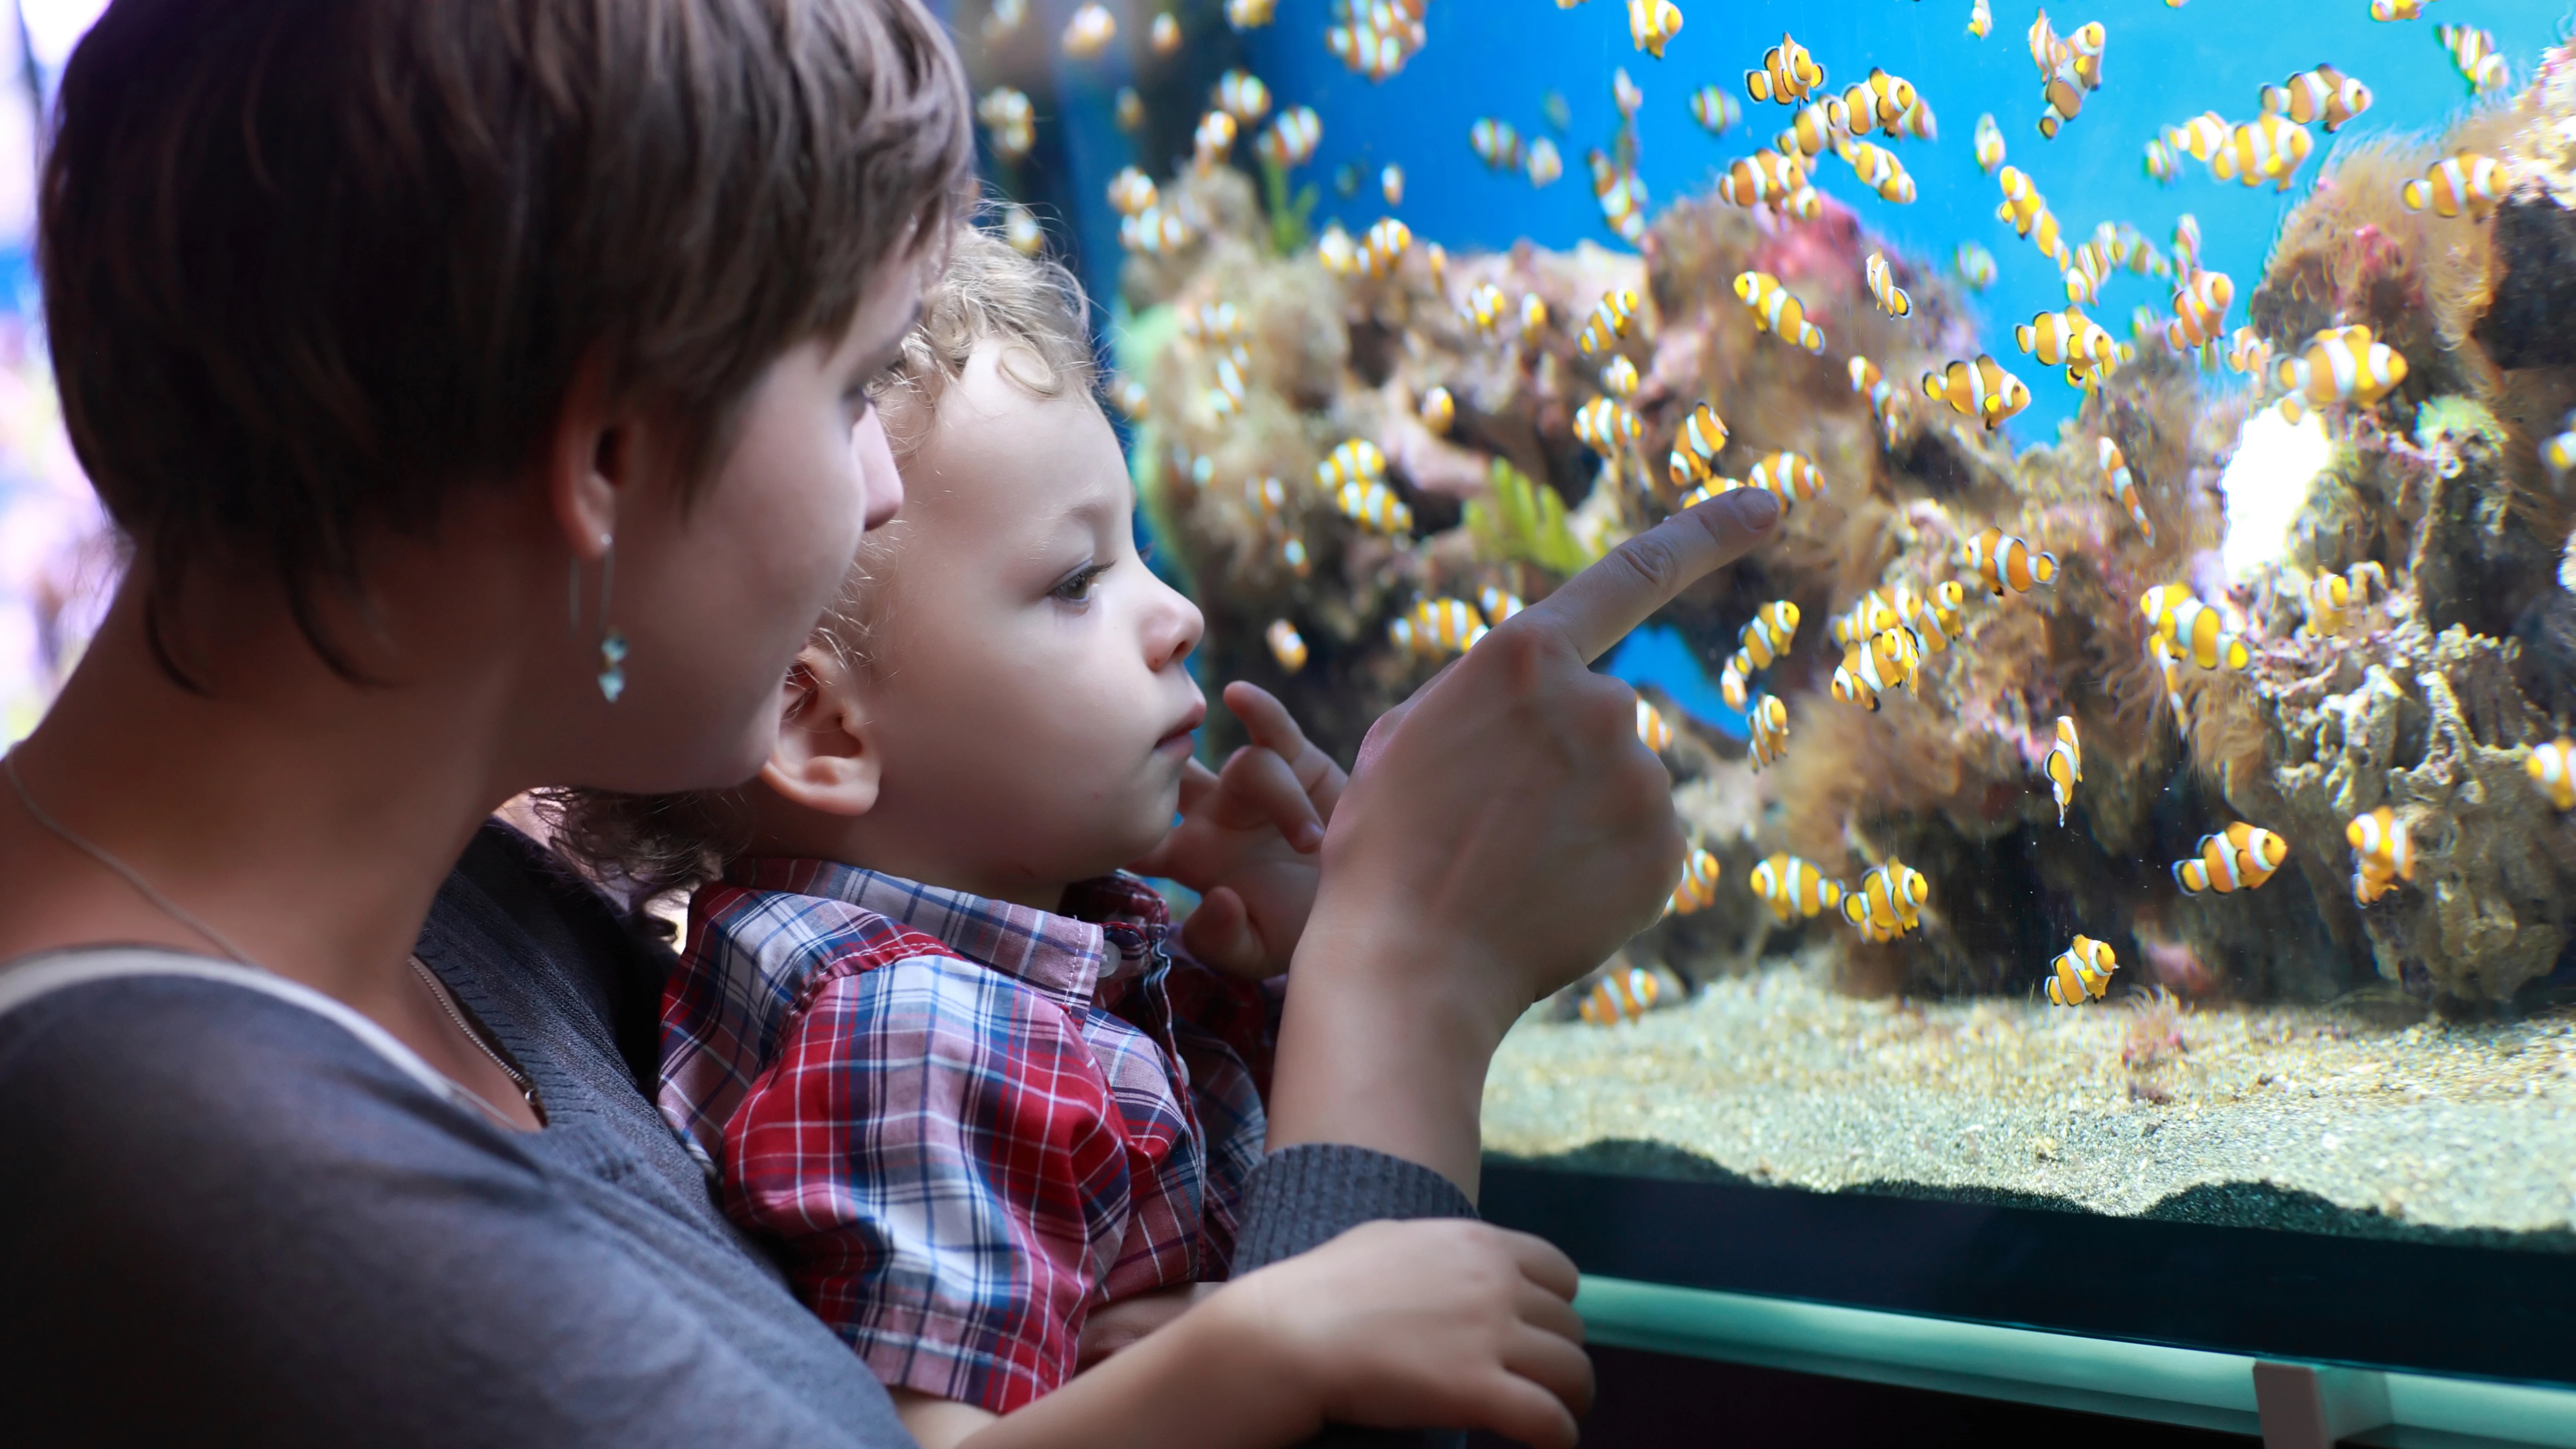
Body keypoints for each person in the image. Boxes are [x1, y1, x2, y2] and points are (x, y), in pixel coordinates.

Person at [0, 1, 1783, 1445]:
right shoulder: (204, 1173)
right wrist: (1406, 992)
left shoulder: (462, 925)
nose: (875, 487)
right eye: (855, 386)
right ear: (607, 455)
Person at [552, 227, 1359, 1445]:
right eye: (1076, 581)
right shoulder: (912, 1037)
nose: (1180, 612)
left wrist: (1290, 941)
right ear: (822, 729)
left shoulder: (1027, 944)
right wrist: (1240, 1359)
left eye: (1134, 548)